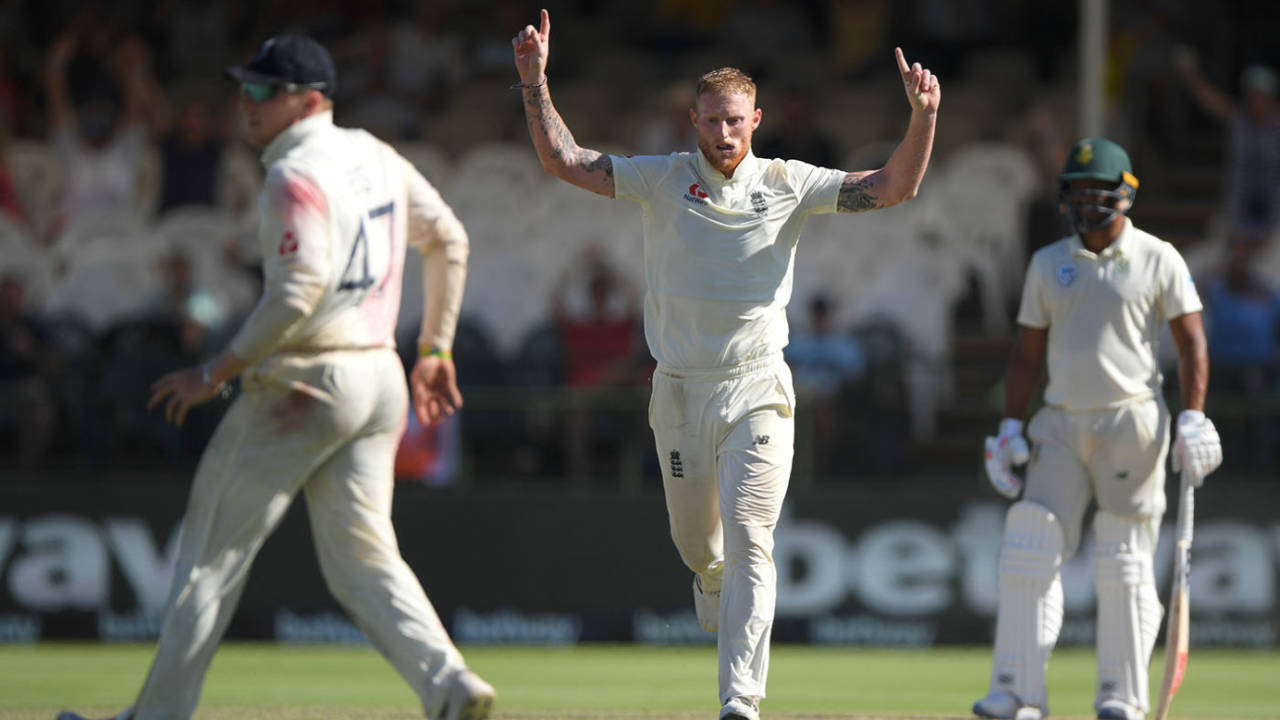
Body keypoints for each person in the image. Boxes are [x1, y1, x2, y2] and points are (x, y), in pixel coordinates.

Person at [512, 10, 940, 719]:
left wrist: (922, 118)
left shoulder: (789, 181)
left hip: (757, 389)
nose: (724, 133)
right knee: (699, 547)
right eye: (712, 120)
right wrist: (536, 82)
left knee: (751, 537)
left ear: (757, 120)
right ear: (694, 121)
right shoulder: (662, 178)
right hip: (679, 392)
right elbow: (564, 161)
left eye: (736, 120)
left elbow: (894, 186)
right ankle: (709, 580)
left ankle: (740, 700)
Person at [57, 35, 494, 720]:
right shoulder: (375, 155)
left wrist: (215, 369)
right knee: (362, 558)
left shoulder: (292, 174)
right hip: (378, 377)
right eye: (246, 88)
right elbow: (450, 240)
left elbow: (297, 291)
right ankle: (450, 683)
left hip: (306, 379)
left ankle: (157, 717)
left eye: (264, 92)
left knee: (207, 558)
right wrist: (433, 350)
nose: (246, 103)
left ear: (310, 101)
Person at [975, 138, 1223, 720]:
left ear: (1125, 195)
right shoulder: (1047, 263)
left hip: (1132, 420)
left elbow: (1191, 343)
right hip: (1060, 422)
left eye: (1098, 191)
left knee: (1125, 559)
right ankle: (1016, 691)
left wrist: (1193, 413)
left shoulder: (1159, 258)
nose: (1086, 202)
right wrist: (1010, 426)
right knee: (1029, 544)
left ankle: (1121, 697)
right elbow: (1026, 355)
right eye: (1078, 191)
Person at [1174, 48, 1280, 237]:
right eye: (1253, 96)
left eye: (1263, 96)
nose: (1258, 102)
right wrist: (1190, 73)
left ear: (1272, 99)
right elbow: (1210, 100)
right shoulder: (1240, 120)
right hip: (1239, 208)